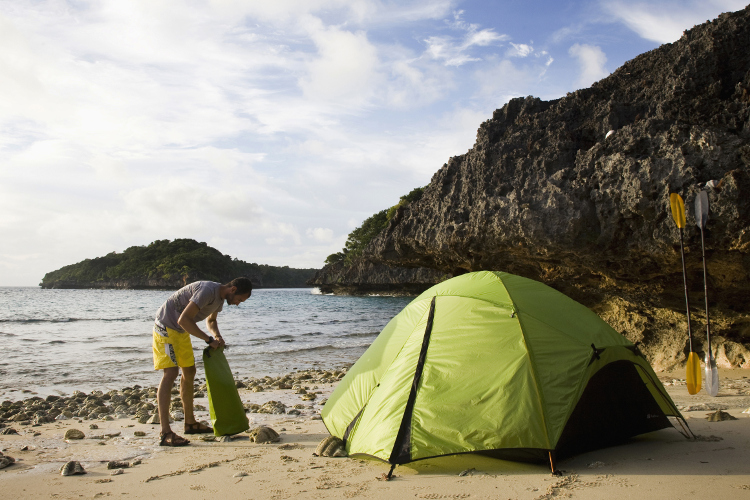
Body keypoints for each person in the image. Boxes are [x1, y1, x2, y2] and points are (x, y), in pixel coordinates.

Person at [152, 277, 253, 446]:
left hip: (181, 330)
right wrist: (208, 340)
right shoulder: (207, 290)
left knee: (189, 372)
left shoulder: (220, 300)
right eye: (239, 300)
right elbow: (183, 319)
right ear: (233, 289)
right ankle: (165, 432)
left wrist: (217, 336)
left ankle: (190, 424)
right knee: (171, 373)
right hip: (166, 326)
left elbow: (211, 321)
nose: (237, 304)